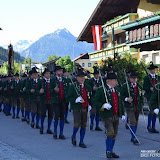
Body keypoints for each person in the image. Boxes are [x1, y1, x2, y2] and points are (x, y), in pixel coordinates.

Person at [93, 72, 125, 158]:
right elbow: (95, 101)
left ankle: (111, 150)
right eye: (115, 80)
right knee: (110, 132)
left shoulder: (117, 90)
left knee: (114, 133)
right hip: (107, 115)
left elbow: (119, 103)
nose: (116, 81)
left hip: (115, 115)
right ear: (110, 81)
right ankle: (108, 150)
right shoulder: (101, 89)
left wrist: (122, 114)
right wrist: (103, 105)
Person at [68, 68, 92, 148]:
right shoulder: (73, 86)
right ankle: (73, 135)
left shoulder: (88, 87)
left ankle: (81, 141)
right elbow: (68, 97)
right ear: (77, 78)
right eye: (80, 77)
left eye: (83, 77)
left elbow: (90, 97)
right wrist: (75, 100)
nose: (82, 78)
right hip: (76, 108)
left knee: (84, 125)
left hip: (85, 108)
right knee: (77, 124)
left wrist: (90, 104)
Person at [121, 71, 143, 145]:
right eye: (132, 78)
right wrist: (127, 99)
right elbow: (121, 96)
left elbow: (141, 96)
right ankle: (134, 137)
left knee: (136, 121)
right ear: (130, 79)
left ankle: (133, 135)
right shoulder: (125, 86)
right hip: (129, 107)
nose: (134, 79)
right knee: (132, 121)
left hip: (137, 106)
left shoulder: (139, 86)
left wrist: (141, 104)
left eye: (135, 78)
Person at [51, 66, 69, 140]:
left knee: (62, 116)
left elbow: (67, 90)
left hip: (63, 101)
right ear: (55, 72)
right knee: (57, 115)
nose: (60, 73)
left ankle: (61, 133)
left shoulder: (65, 80)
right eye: (59, 71)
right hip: (56, 101)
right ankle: (55, 132)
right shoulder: (53, 80)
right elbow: (49, 91)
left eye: (61, 71)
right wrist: (54, 90)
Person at [143, 62, 160, 133]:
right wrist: (150, 88)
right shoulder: (147, 78)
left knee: (155, 112)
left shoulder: (158, 77)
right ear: (150, 70)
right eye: (152, 69)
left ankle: (153, 127)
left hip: (157, 96)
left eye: (154, 69)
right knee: (151, 110)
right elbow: (144, 87)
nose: (153, 70)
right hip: (150, 96)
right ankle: (149, 126)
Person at [37, 68, 54, 134]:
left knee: (50, 115)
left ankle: (48, 128)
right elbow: (36, 91)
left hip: (51, 101)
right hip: (43, 100)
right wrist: (39, 92)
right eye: (47, 73)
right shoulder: (41, 82)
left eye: (49, 73)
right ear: (44, 75)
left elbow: (54, 90)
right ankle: (41, 127)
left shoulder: (52, 81)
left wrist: (53, 91)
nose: (48, 75)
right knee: (43, 114)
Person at [87, 66, 102, 131]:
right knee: (93, 112)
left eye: (97, 74)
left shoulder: (101, 81)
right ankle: (91, 124)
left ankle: (97, 125)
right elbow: (88, 89)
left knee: (98, 113)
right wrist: (92, 89)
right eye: (95, 74)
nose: (97, 76)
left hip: (100, 99)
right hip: (93, 99)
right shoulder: (91, 81)